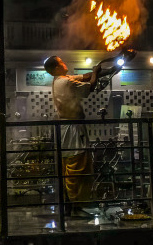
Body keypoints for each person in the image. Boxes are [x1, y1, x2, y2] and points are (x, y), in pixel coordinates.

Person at [44, 56, 114, 218]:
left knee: (71, 167)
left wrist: (110, 70)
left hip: (67, 129)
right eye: (61, 62)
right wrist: (96, 72)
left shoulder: (60, 80)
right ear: (56, 68)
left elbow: (86, 76)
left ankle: (71, 206)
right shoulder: (65, 82)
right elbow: (90, 86)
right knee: (78, 167)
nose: (64, 63)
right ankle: (77, 206)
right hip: (72, 130)